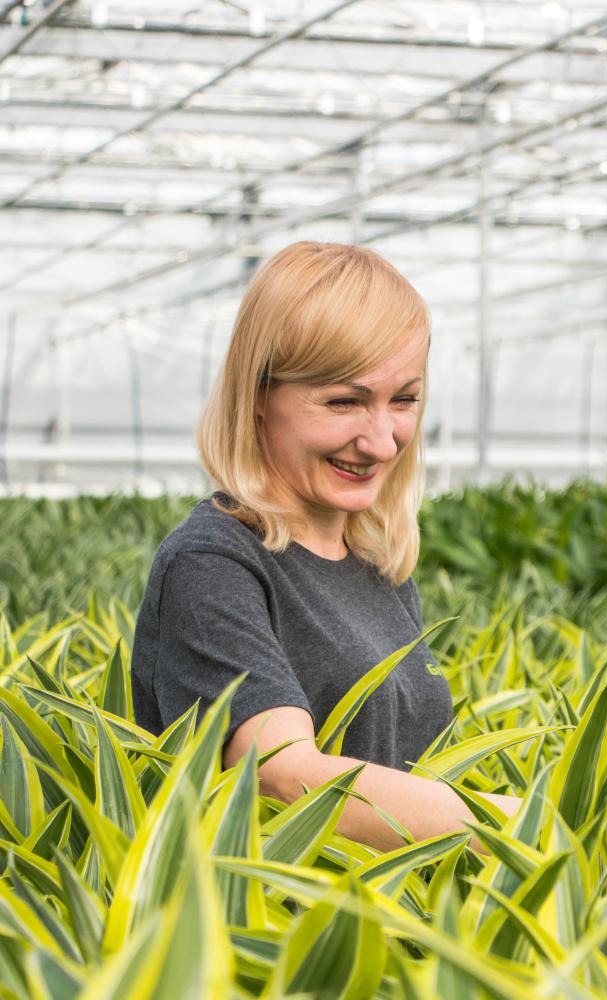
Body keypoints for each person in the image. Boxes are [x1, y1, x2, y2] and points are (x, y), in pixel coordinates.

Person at [131, 242, 517, 850]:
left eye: (404, 400)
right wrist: (517, 826)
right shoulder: (214, 565)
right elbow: (281, 776)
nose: (383, 441)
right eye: (345, 401)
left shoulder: (376, 567)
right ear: (257, 396)